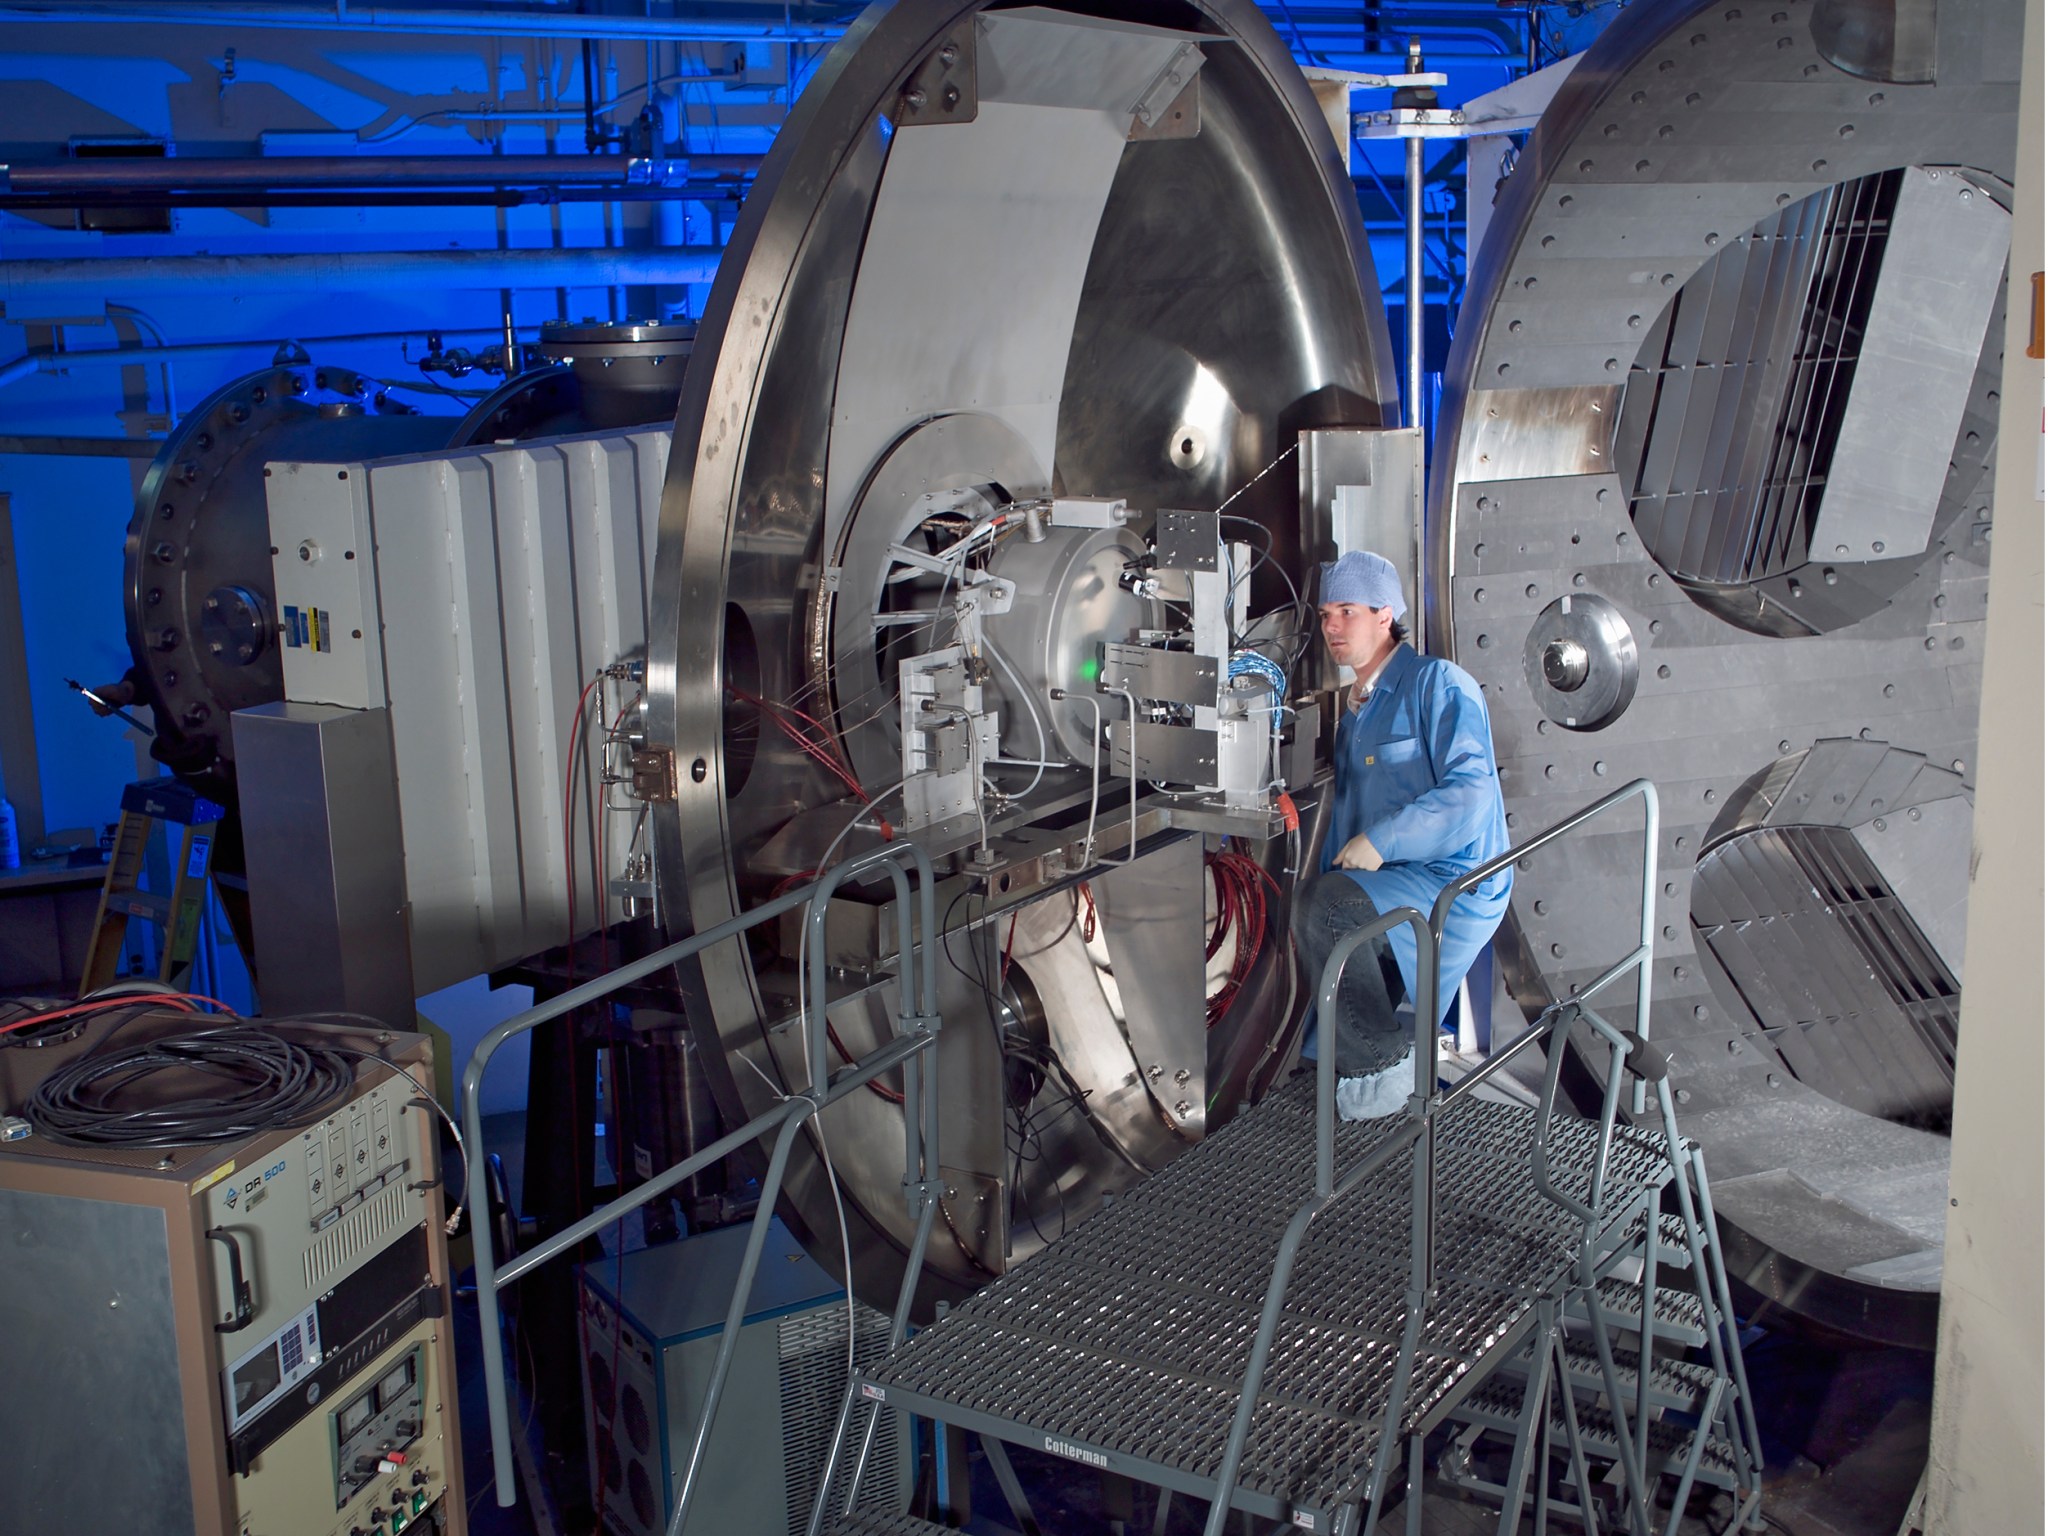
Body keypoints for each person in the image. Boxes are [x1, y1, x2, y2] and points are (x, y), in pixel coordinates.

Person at [1290, 550, 1512, 1120]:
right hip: (1395, 881)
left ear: (1386, 615)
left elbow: (1471, 793)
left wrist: (1384, 841)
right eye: (1323, 614)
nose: (1331, 627)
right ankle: (1343, 1064)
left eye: (1346, 611)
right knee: (1323, 912)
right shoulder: (1357, 707)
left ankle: (1385, 1070)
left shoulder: (1439, 683)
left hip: (1457, 877)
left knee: (1325, 908)